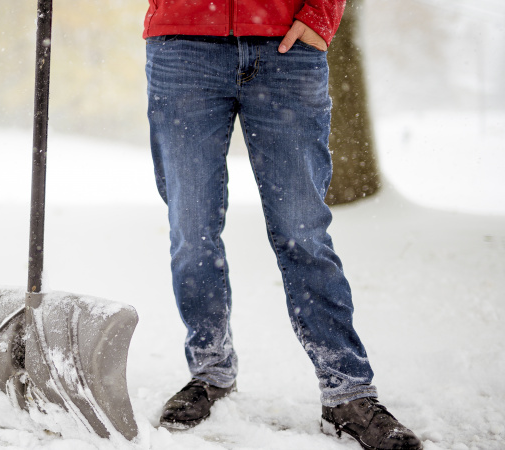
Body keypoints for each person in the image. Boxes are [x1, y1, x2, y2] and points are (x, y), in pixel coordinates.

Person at [143, 1, 422, 449]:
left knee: (302, 233)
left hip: (287, 48)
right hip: (184, 48)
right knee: (191, 230)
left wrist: (320, 15)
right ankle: (210, 371)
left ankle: (346, 392)